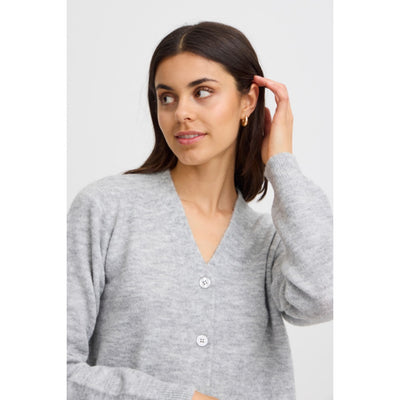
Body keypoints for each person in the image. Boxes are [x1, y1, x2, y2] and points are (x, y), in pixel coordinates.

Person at [67, 21, 333, 400]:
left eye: (202, 92)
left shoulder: (271, 244)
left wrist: (282, 163)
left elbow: (323, 297)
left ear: (248, 101)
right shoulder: (106, 210)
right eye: (167, 97)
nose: (182, 113)